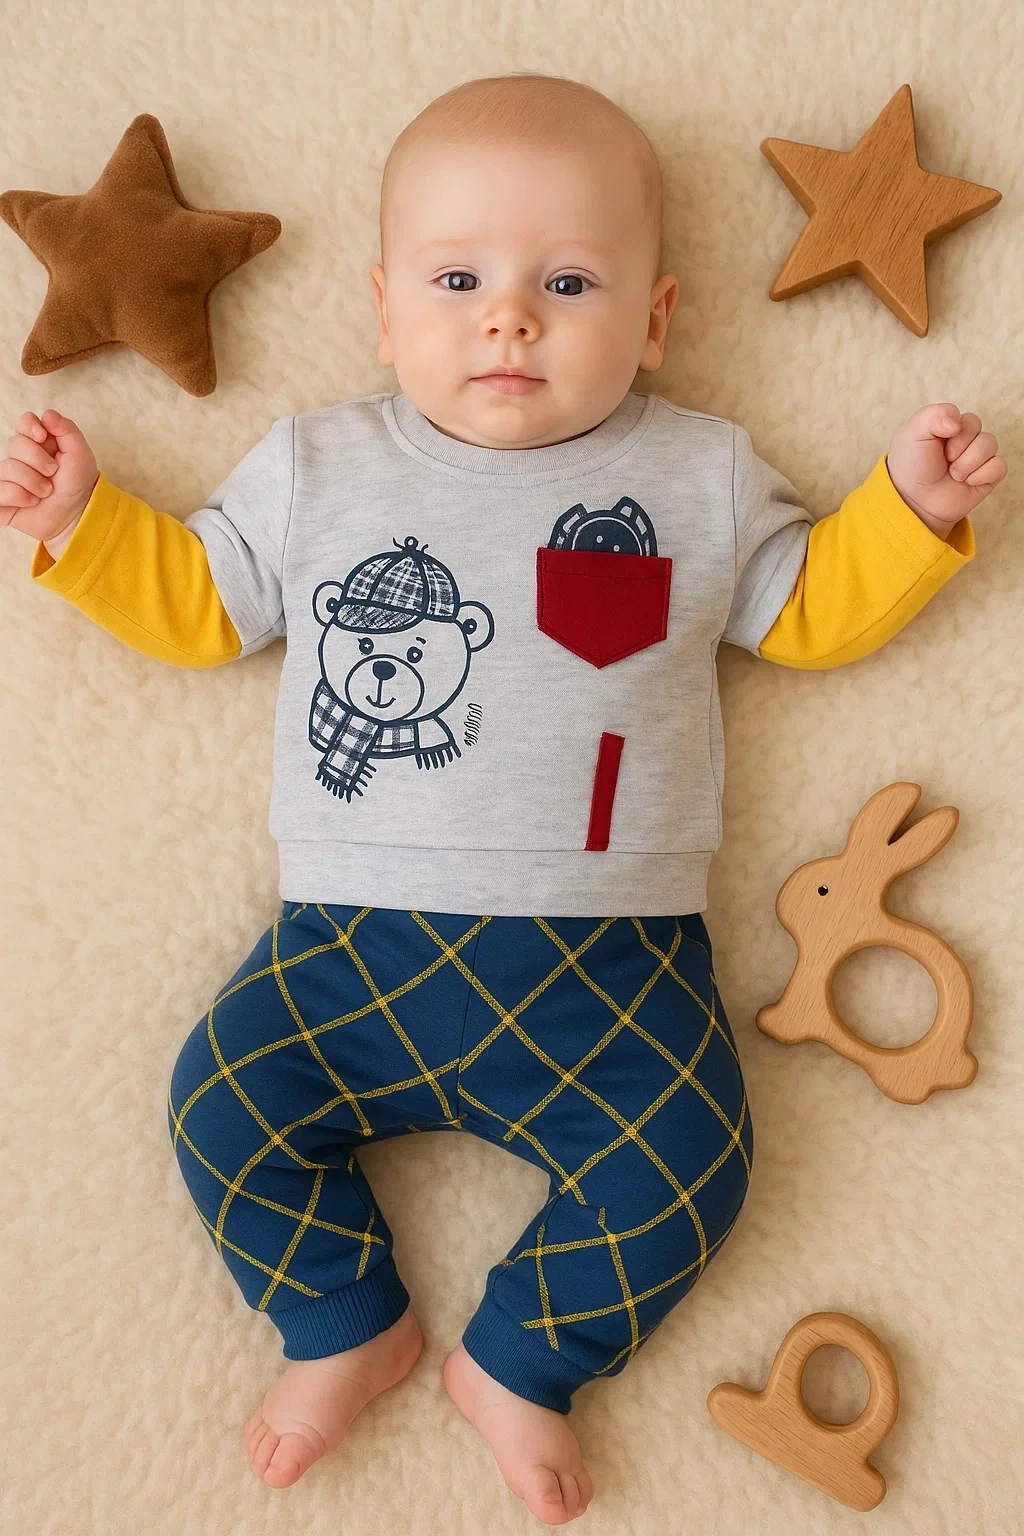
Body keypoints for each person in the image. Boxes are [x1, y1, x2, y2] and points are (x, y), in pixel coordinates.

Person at [1, 72, 1005, 1527]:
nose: (510, 320)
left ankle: (525, 1357)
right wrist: (82, 522)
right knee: (221, 1102)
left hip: (618, 970)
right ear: (383, 310)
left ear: (656, 320)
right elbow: (207, 606)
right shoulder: (319, 467)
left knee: (695, 1167)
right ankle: (341, 1320)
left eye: (570, 283)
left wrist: (908, 512)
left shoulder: (698, 473)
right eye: (457, 280)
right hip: (345, 955)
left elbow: (804, 612)